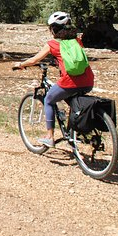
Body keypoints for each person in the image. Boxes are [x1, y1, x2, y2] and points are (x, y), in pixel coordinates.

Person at [13, 11, 94, 148]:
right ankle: (75, 130)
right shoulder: (77, 41)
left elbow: (35, 59)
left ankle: (50, 136)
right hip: (88, 81)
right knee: (72, 100)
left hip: (70, 82)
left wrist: (20, 64)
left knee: (49, 99)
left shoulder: (53, 44)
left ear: (53, 29)